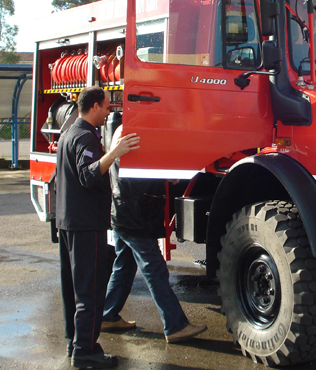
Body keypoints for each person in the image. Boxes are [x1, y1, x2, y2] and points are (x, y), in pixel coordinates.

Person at [56, 86, 139, 369]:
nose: (108, 113)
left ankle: (74, 343)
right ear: (93, 107)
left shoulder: (68, 133)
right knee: (90, 292)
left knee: (72, 291)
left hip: (68, 224)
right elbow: (88, 174)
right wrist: (115, 152)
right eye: (105, 107)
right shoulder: (84, 137)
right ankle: (87, 352)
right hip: (85, 225)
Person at [102, 125, 208, 343]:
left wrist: (166, 176)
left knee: (123, 266)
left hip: (123, 212)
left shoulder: (121, 130)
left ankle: (108, 316)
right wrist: (166, 176)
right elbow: (137, 173)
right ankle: (175, 325)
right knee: (154, 269)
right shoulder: (129, 133)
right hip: (135, 216)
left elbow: (135, 169)